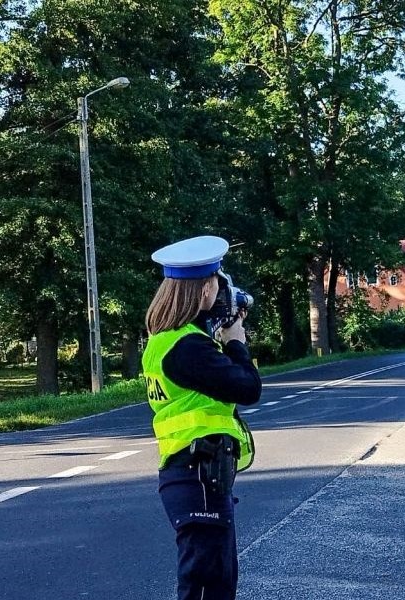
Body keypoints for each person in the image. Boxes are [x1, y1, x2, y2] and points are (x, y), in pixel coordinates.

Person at [143, 235, 261, 600]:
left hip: (193, 475)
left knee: (214, 582)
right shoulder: (188, 348)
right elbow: (247, 388)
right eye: (215, 284)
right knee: (207, 585)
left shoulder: (170, 340)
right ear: (204, 291)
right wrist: (236, 341)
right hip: (198, 474)